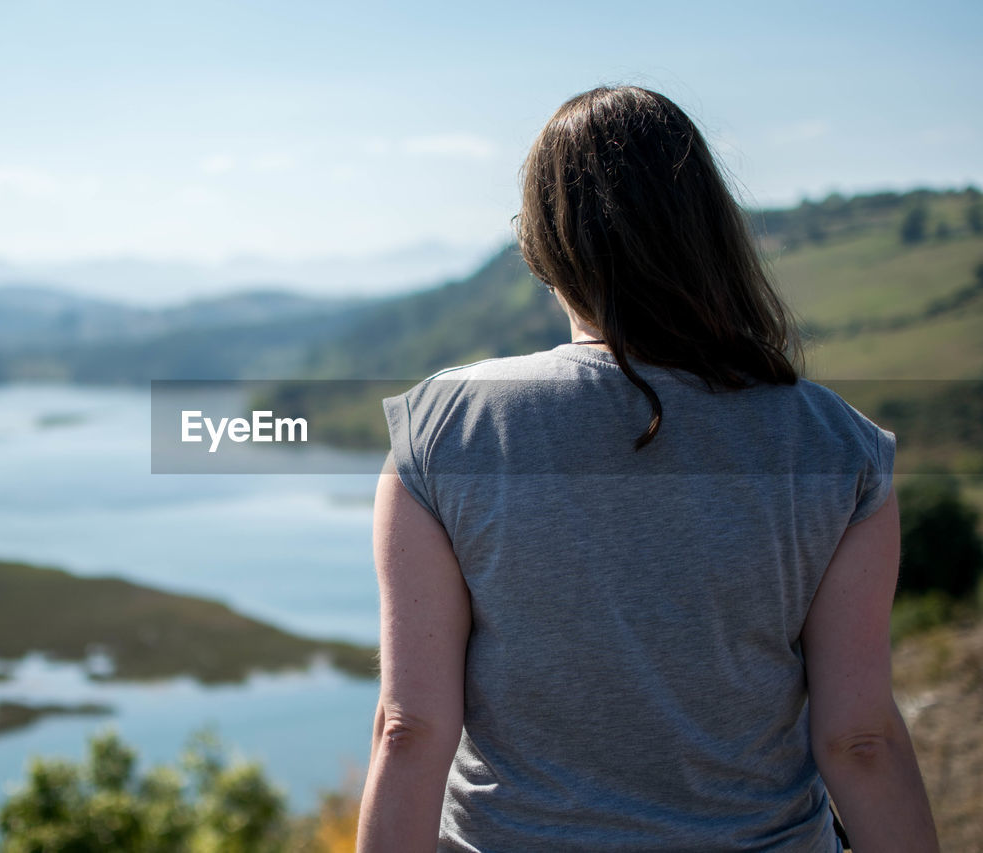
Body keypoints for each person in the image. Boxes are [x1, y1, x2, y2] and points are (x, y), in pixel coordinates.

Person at [356, 86, 938, 852]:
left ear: (542, 241)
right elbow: (860, 740)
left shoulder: (444, 429)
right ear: (707, 232)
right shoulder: (837, 445)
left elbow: (409, 729)